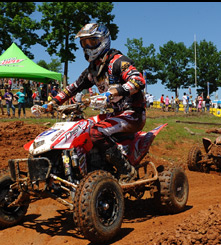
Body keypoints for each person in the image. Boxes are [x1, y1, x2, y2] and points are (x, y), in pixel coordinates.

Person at [47, 23, 146, 179]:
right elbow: (73, 87)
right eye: (84, 43)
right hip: (114, 114)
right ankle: (91, 169)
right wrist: (53, 102)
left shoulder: (118, 62)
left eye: (92, 41)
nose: (88, 46)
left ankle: (126, 171)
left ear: (104, 40)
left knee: (96, 131)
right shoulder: (93, 70)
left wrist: (111, 92)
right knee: (80, 127)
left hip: (133, 114)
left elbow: (138, 81)